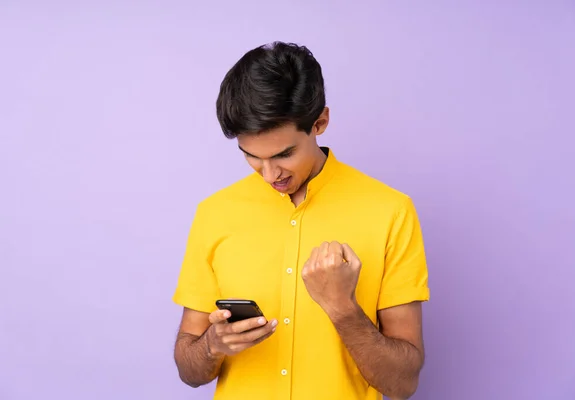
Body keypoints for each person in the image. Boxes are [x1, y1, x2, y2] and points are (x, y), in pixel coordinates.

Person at [172, 41, 430, 400]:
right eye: (251, 157)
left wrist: (343, 308)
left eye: (284, 154)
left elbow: (403, 385)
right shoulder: (215, 212)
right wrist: (213, 345)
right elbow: (189, 371)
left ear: (320, 122)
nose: (269, 173)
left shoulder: (391, 211)